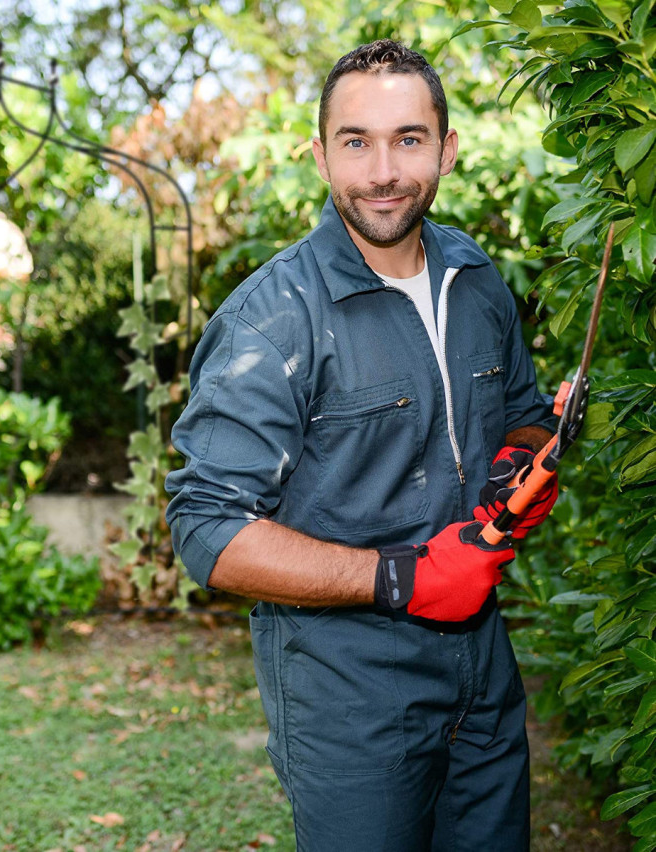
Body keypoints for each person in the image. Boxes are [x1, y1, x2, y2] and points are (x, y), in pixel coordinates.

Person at [165, 39, 559, 851]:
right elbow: (207, 528)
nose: (383, 170)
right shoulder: (271, 319)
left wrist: (524, 461)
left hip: (483, 670)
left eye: (409, 139)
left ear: (447, 149)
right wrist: (402, 578)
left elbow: (522, 409)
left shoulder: (475, 278)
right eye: (356, 141)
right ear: (319, 155)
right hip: (346, 693)